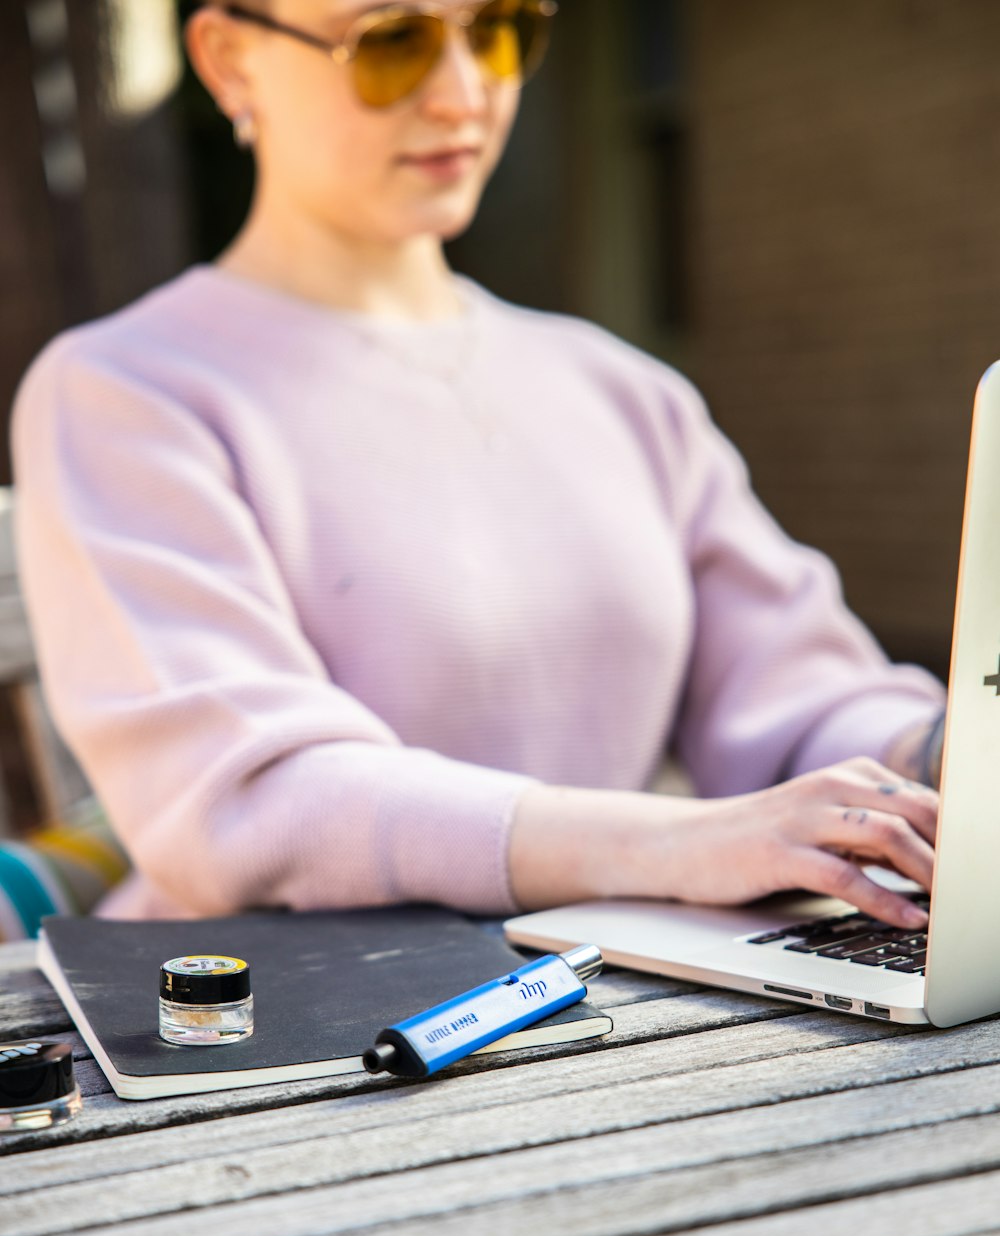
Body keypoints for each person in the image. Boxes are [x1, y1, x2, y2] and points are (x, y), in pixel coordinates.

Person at [10, 0, 946, 933]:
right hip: (280, 1036)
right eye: (392, 43)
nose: (464, 96)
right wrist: (669, 845)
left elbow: (795, 691)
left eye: (501, 33)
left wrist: (942, 758)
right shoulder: (124, 391)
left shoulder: (619, 388)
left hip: (623, 1008)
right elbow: (250, 799)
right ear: (227, 60)